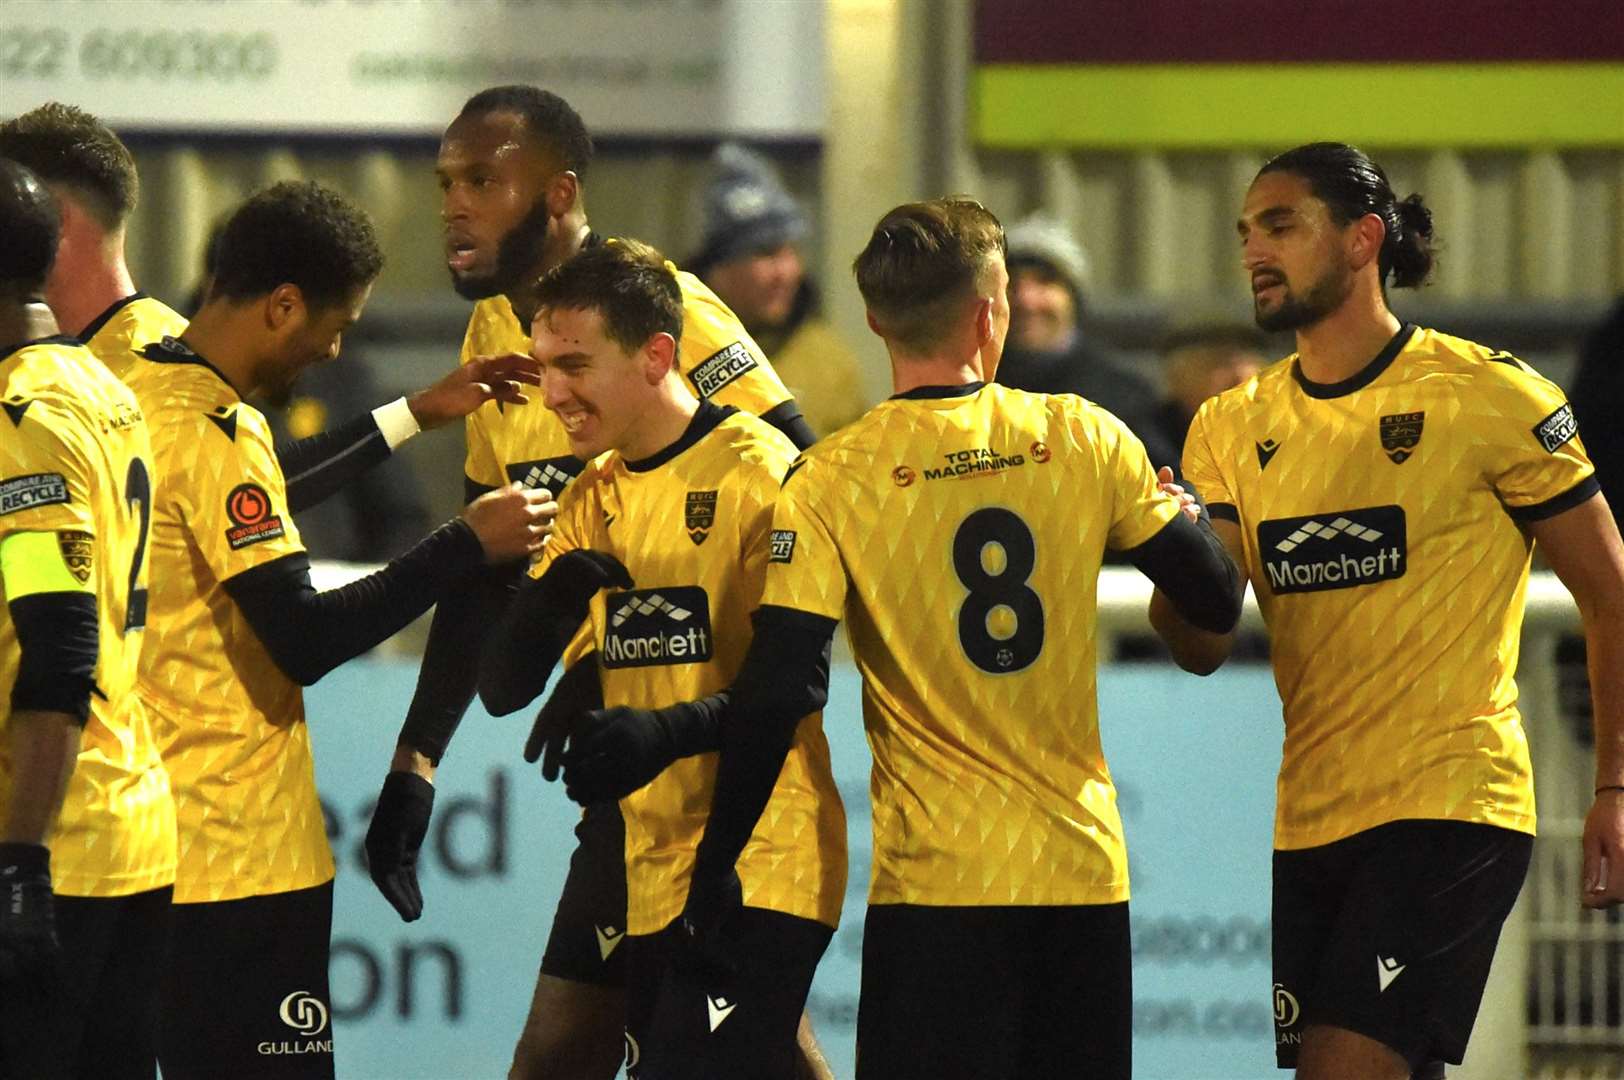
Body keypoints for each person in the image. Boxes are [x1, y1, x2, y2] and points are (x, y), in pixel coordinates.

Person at [553, 198, 1243, 1079]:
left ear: (875, 319)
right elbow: (1215, 602)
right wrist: (1183, 515)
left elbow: (779, 691)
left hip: (934, 884)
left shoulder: (834, 478)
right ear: (990, 313)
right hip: (1080, 875)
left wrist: (717, 861)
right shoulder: (1083, 435)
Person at [362, 84, 828, 1080]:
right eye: (446, 182)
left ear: (559, 191)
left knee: (647, 1052)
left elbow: (804, 498)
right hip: (626, 783)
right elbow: (489, 572)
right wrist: (418, 763)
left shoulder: (668, 309)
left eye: (481, 181)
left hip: (725, 775)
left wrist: (660, 645)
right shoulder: (493, 337)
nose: (454, 205)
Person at [1155, 142, 1624, 1080]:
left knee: (1345, 1068)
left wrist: (1616, 786)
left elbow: (1610, 592)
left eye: (1281, 225)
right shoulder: (1229, 425)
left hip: (1454, 802)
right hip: (1312, 818)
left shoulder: (1489, 395)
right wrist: (1170, 546)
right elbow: (1199, 644)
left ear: (1364, 238)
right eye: (1246, 230)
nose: (1254, 249)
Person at [113, 180, 553, 1080]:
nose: (338, 345)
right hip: (240, 859)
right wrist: (462, 544)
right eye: (337, 321)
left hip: (144, 844)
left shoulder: (137, 386)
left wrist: (417, 412)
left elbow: (259, 480)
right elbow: (305, 638)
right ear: (283, 306)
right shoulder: (220, 429)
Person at [477, 239, 845, 1078]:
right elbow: (501, 690)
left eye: (574, 365)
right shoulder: (591, 495)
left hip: (760, 852)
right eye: (543, 366)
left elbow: (787, 687)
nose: (552, 392)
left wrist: (661, 734)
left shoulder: (761, 475)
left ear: (657, 356)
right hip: (649, 860)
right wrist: (551, 599)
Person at [0, 102, 536, 543]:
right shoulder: (45, 365)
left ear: (50, 216)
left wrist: (455, 536)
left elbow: (256, 485)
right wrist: (414, 413)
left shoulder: (168, 364)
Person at [0, 158, 160, 1079]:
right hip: (126, 826)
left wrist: (17, 864)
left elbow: (58, 645)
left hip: (51, 844)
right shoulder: (101, 386)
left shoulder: (23, 412)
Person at [689, 142, 867, 435]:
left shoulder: (827, 363)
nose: (786, 272)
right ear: (718, 269)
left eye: (791, 252)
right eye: (766, 254)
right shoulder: (668, 356)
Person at [994, 212, 1177, 470]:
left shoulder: (1124, 398)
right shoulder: (970, 391)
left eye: (1045, 282)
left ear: (1073, 298)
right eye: (1010, 285)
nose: (1026, 301)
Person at [1150, 322, 1269, 480]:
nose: (1240, 377)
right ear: (1177, 377)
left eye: (1248, 361)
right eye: (1221, 363)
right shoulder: (1146, 443)